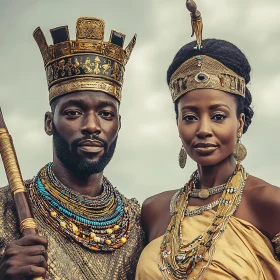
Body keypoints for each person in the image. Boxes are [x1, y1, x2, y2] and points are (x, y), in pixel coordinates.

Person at [136, 1, 280, 279]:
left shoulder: (269, 203)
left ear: (239, 123)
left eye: (217, 116)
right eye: (190, 117)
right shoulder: (153, 211)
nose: (203, 129)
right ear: (177, 123)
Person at [0, 17, 144, 280]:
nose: (91, 125)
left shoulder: (138, 223)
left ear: (118, 124)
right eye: (74, 112)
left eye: (106, 114)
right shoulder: (6, 208)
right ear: (49, 123)